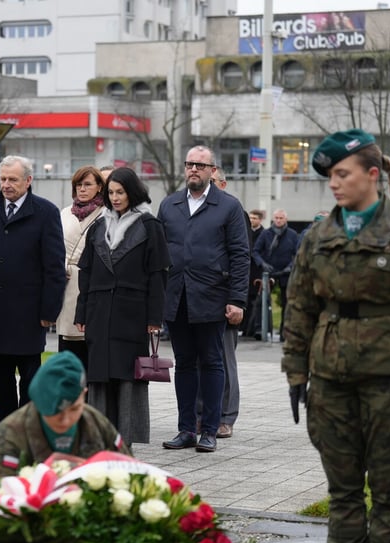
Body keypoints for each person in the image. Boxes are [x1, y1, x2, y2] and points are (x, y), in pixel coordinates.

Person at [283, 128, 390, 543]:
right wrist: (296, 372)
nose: (334, 183)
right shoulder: (317, 237)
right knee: (343, 492)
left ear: (372, 174)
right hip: (331, 383)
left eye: (342, 174)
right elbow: (299, 308)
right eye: (331, 177)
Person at [159, 146, 249, 453]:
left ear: (212, 170)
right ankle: (187, 428)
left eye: (200, 165)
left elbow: (240, 255)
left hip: (212, 296)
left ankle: (210, 429)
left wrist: (237, 299)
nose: (193, 169)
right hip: (177, 297)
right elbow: (159, 255)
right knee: (184, 364)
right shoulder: (169, 205)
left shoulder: (228, 206)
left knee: (212, 363)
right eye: (189, 164)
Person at [0, 155, 67, 425]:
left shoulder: (45, 212)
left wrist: (50, 310)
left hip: (29, 312)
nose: (7, 185)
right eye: (3, 179)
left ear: (28, 180)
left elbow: (55, 267)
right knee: (0, 378)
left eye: (13, 179)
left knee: (31, 378)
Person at [74, 167, 169, 446]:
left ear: (132, 192)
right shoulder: (98, 226)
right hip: (100, 311)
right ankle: (100, 439)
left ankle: (125, 441)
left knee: (128, 377)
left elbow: (158, 275)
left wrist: (155, 317)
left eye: (120, 192)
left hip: (133, 313)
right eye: (111, 192)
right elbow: (86, 273)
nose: (115, 198)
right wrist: (82, 312)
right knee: (100, 376)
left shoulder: (150, 226)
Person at [0, 351, 132, 495]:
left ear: (84, 394)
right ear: (39, 402)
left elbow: (129, 469)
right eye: (56, 412)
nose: (66, 420)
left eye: (74, 409)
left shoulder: (96, 423)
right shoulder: (11, 432)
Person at [210, 168, 251, 438]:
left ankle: (226, 417)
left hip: (224, 299)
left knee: (224, 360)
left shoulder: (234, 211)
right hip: (199, 298)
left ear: (223, 184)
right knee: (203, 362)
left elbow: (242, 258)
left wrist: (237, 299)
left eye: (212, 181)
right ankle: (204, 415)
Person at [57, 166, 106, 371]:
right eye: (78, 185)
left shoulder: (106, 213)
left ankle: (91, 398)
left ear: (99, 187)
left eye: (88, 184)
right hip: (66, 282)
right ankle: (69, 398)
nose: (82, 189)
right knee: (67, 346)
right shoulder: (64, 213)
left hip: (92, 282)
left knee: (91, 343)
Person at [252, 208, 298, 342]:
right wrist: (262, 264)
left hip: (285, 273)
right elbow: (255, 251)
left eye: (281, 218)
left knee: (287, 302)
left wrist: (290, 266)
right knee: (261, 301)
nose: (278, 220)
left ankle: (285, 332)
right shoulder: (266, 234)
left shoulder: (292, 234)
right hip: (268, 272)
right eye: (276, 218)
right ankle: (259, 329)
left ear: (286, 219)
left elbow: (297, 253)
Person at [241, 209, 265, 337]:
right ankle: (244, 327)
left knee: (254, 301)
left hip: (256, 271)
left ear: (260, 220)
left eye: (255, 218)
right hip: (246, 269)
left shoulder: (264, 234)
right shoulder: (245, 230)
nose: (252, 220)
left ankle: (250, 328)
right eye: (250, 218)